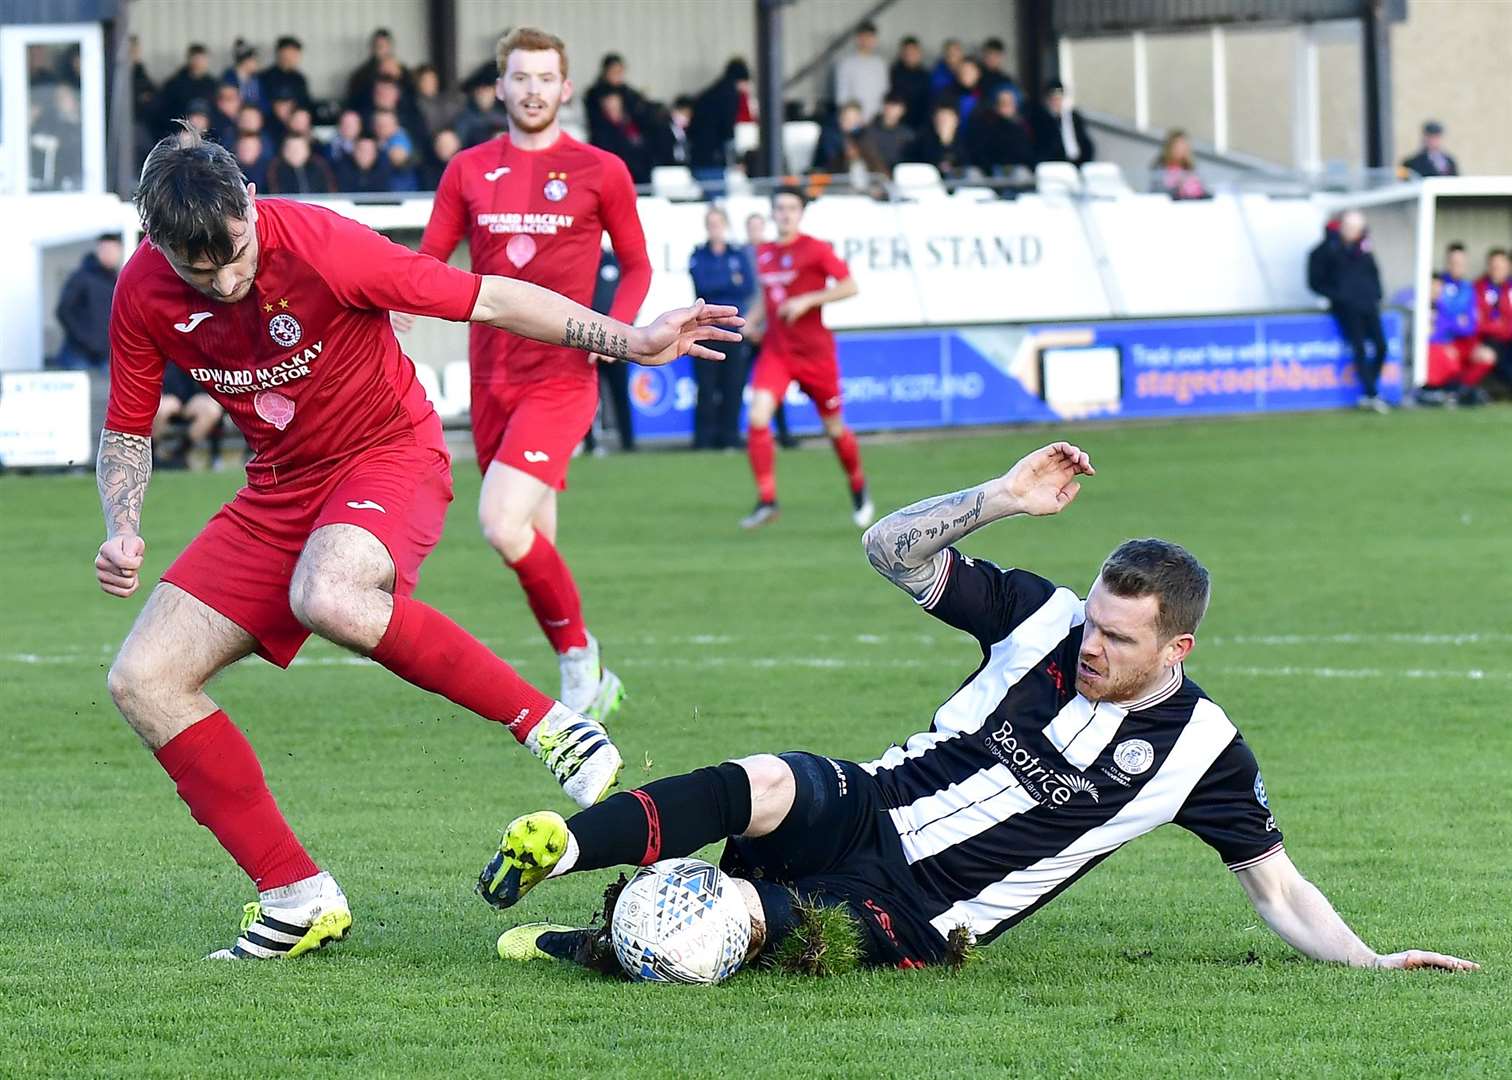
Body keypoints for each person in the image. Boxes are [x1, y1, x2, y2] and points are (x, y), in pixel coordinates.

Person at [94, 123, 739, 959]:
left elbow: (494, 298)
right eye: (198, 268)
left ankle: (551, 724)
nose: (223, 282)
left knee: (329, 593)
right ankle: (297, 896)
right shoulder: (143, 291)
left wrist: (631, 340)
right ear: (155, 244)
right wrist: (124, 526)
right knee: (143, 679)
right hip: (276, 488)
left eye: (235, 256)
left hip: (387, 454)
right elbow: (127, 431)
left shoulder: (328, 245)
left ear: (252, 203)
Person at [479, 443, 1480, 979]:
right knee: (768, 779)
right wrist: (1000, 498)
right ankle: (561, 849)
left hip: (922, 914)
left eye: (1120, 640)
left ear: (1177, 649)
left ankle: (606, 945)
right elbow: (892, 551)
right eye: (1094, 622)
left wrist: (1371, 960)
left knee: (749, 917)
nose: (1092, 644)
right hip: (866, 807)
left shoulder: (1204, 749)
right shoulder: (1041, 616)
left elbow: (1277, 886)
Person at [406, 27, 654, 725]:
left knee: (498, 521)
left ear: (565, 88)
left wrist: (621, 329)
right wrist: (391, 322)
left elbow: (636, 265)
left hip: (563, 376)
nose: (533, 90)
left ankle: (580, 667)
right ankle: (585, 666)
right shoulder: (466, 169)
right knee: (534, 538)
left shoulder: (601, 169)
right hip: (491, 380)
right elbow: (427, 261)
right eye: (521, 78)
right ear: (501, 87)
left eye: (546, 78)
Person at [741, 187, 869, 530]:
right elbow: (767, 299)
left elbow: (849, 286)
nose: (784, 214)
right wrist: (749, 322)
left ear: (801, 213)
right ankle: (767, 500)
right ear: (772, 212)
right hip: (777, 352)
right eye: (779, 208)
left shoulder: (815, 249)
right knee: (757, 416)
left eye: (791, 208)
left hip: (815, 355)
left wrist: (808, 300)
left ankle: (857, 484)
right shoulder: (764, 252)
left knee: (834, 429)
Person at [1307, 210, 1389, 412]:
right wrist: (1339, 297)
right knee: (1359, 348)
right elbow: (1315, 282)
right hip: (1347, 308)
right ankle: (1371, 393)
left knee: (1381, 347)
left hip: (1368, 305)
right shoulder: (1325, 251)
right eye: (1351, 228)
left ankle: (1370, 389)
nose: (1354, 232)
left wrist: (1377, 294)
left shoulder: (1364, 250)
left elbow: (1374, 273)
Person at [688, 206, 755, 450]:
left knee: (733, 386)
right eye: (711, 223)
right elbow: (703, 286)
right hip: (706, 329)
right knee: (705, 389)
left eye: (718, 223)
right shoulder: (699, 254)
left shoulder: (737, 254)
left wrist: (723, 284)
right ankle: (704, 440)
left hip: (733, 331)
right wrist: (729, 281)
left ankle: (730, 438)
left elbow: (747, 287)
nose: (714, 228)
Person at [745, 211, 795, 449]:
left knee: (774, 388)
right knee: (745, 387)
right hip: (745, 330)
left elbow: (775, 297)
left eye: (758, 227)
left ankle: (784, 434)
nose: (755, 232)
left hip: (771, 334)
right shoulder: (742, 255)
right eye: (751, 228)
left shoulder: (773, 255)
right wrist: (748, 325)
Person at [52, 234, 121, 370]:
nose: (110, 255)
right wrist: (84, 339)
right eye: (106, 250)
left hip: (106, 355)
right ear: (98, 251)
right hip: (78, 355)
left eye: (113, 251)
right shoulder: (81, 277)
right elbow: (63, 311)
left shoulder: (117, 280)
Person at [154, 364, 224, 471]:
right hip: (170, 396)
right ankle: (152, 454)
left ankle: (180, 454)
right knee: (162, 407)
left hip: (193, 399)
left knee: (212, 410)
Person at [689, 58, 751, 180]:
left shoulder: (711, 92)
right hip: (713, 155)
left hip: (698, 153)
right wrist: (734, 158)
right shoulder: (730, 95)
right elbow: (727, 128)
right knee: (716, 192)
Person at [964, 87, 1036, 176]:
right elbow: (982, 156)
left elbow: (1027, 156)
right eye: (1003, 103)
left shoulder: (1021, 129)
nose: (1007, 107)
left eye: (1010, 103)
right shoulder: (986, 129)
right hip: (994, 173)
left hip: (1018, 172)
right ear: (996, 106)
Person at [155, 44, 218, 137]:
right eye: (196, 59)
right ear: (189, 59)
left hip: (207, 134)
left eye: (202, 59)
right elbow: (165, 111)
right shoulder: (175, 84)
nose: (199, 63)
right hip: (180, 133)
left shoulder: (212, 85)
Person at [1029, 79, 1095, 167]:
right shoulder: (1041, 119)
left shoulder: (1073, 117)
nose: (1057, 103)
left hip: (1077, 163)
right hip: (1055, 165)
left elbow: (1084, 141)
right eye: (1053, 99)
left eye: (1059, 99)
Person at [1473, 248, 1512, 392]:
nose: (1498, 270)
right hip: (1489, 340)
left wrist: (1503, 326)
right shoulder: (1479, 288)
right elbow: (1478, 322)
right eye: (1494, 266)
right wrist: (1499, 327)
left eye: (1501, 266)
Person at [834, 21, 888, 124]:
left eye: (870, 37)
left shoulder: (880, 64)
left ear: (875, 40)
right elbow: (842, 95)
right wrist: (852, 117)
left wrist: (881, 116)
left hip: (876, 120)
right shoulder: (846, 63)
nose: (867, 40)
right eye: (864, 37)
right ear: (858, 39)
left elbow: (885, 91)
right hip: (854, 120)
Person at [907, 101, 966, 179]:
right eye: (940, 119)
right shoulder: (921, 143)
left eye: (947, 118)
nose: (943, 122)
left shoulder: (965, 143)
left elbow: (967, 167)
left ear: (957, 120)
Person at [264, 133, 337, 195]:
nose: (295, 152)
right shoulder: (275, 168)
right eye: (291, 148)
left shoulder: (319, 166)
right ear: (284, 151)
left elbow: (330, 192)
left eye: (299, 148)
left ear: (307, 150)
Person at [860, 93, 914, 173]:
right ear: (884, 106)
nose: (891, 109)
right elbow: (871, 157)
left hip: (902, 176)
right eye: (889, 105)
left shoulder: (908, 134)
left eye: (895, 106)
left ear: (903, 110)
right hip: (875, 177)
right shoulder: (869, 132)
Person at [888, 36, 931, 130]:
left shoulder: (925, 75)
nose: (910, 54)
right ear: (902, 53)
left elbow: (927, 101)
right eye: (907, 51)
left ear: (919, 53)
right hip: (896, 124)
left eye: (913, 51)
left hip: (919, 123)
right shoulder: (893, 72)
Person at [259, 37, 311, 112]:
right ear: (280, 52)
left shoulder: (299, 79)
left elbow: (305, 103)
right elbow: (260, 102)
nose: (295, 57)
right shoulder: (265, 77)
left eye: (296, 53)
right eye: (291, 52)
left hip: (295, 119)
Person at [1153, 129, 1208, 199]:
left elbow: (1201, 191)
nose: (1181, 149)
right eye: (1177, 146)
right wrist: (1178, 188)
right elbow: (1156, 193)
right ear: (1170, 147)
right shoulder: (1159, 169)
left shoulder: (1191, 169)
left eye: (1183, 146)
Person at [647, 95, 693, 169]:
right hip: (666, 170)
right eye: (684, 113)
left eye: (688, 115)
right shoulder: (663, 130)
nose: (686, 117)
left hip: (682, 168)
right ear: (675, 111)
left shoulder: (685, 133)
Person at [223, 40, 262, 109]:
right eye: (254, 60)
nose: (257, 63)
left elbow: (264, 103)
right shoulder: (228, 79)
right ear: (246, 61)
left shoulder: (257, 78)